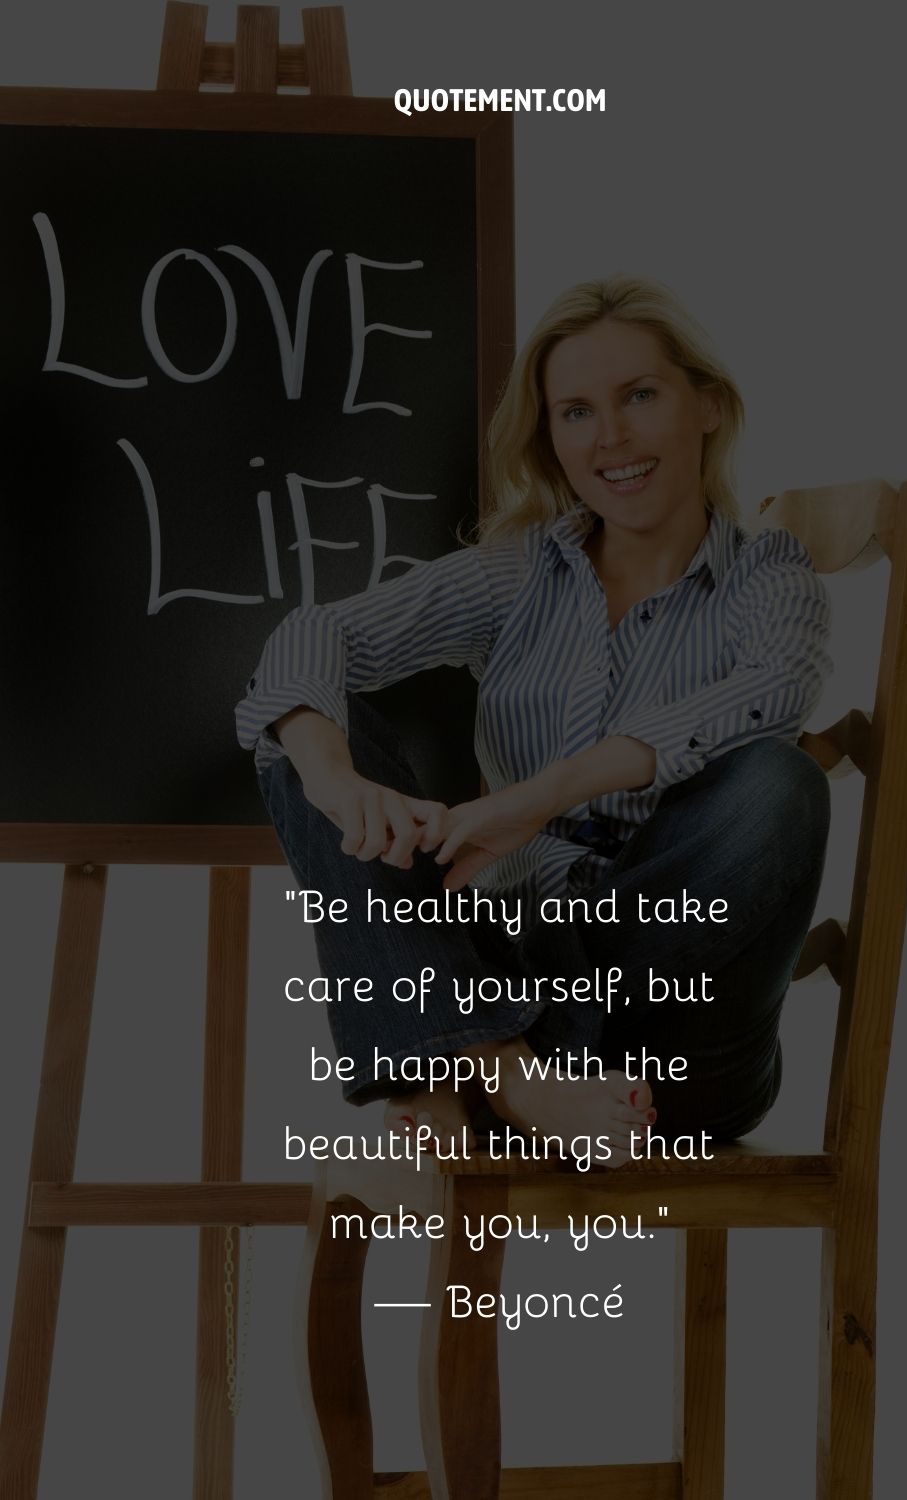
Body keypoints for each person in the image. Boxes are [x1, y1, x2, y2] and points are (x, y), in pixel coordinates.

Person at [236, 274, 832, 1168]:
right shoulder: (519, 573)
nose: (613, 438)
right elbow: (318, 636)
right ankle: (507, 1073)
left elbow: (775, 689)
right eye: (577, 412)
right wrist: (333, 781)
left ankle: (453, 1062)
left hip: (684, 1031)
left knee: (781, 786)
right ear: (549, 436)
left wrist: (535, 799)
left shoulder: (768, 574)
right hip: (520, 983)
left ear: (707, 404)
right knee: (307, 734)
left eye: (639, 395)